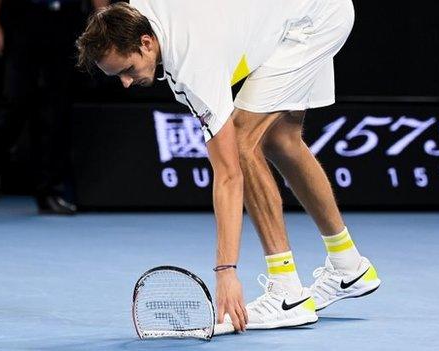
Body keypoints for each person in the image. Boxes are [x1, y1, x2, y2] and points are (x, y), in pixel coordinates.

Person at [76, 0, 381, 332]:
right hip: (310, 9)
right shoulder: (136, 14)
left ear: (146, 43)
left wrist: (226, 271)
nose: (125, 82)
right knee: (282, 139)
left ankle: (287, 293)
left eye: (127, 69)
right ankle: (349, 266)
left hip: (311, 20)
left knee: (240, 141)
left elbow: (229, 174)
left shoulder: (193, 62)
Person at [0, 0, 109, 214]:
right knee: (16, 98)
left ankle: (49, 192)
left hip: (65, 21)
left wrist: (105, 22)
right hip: (25, 18)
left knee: (56, 109)